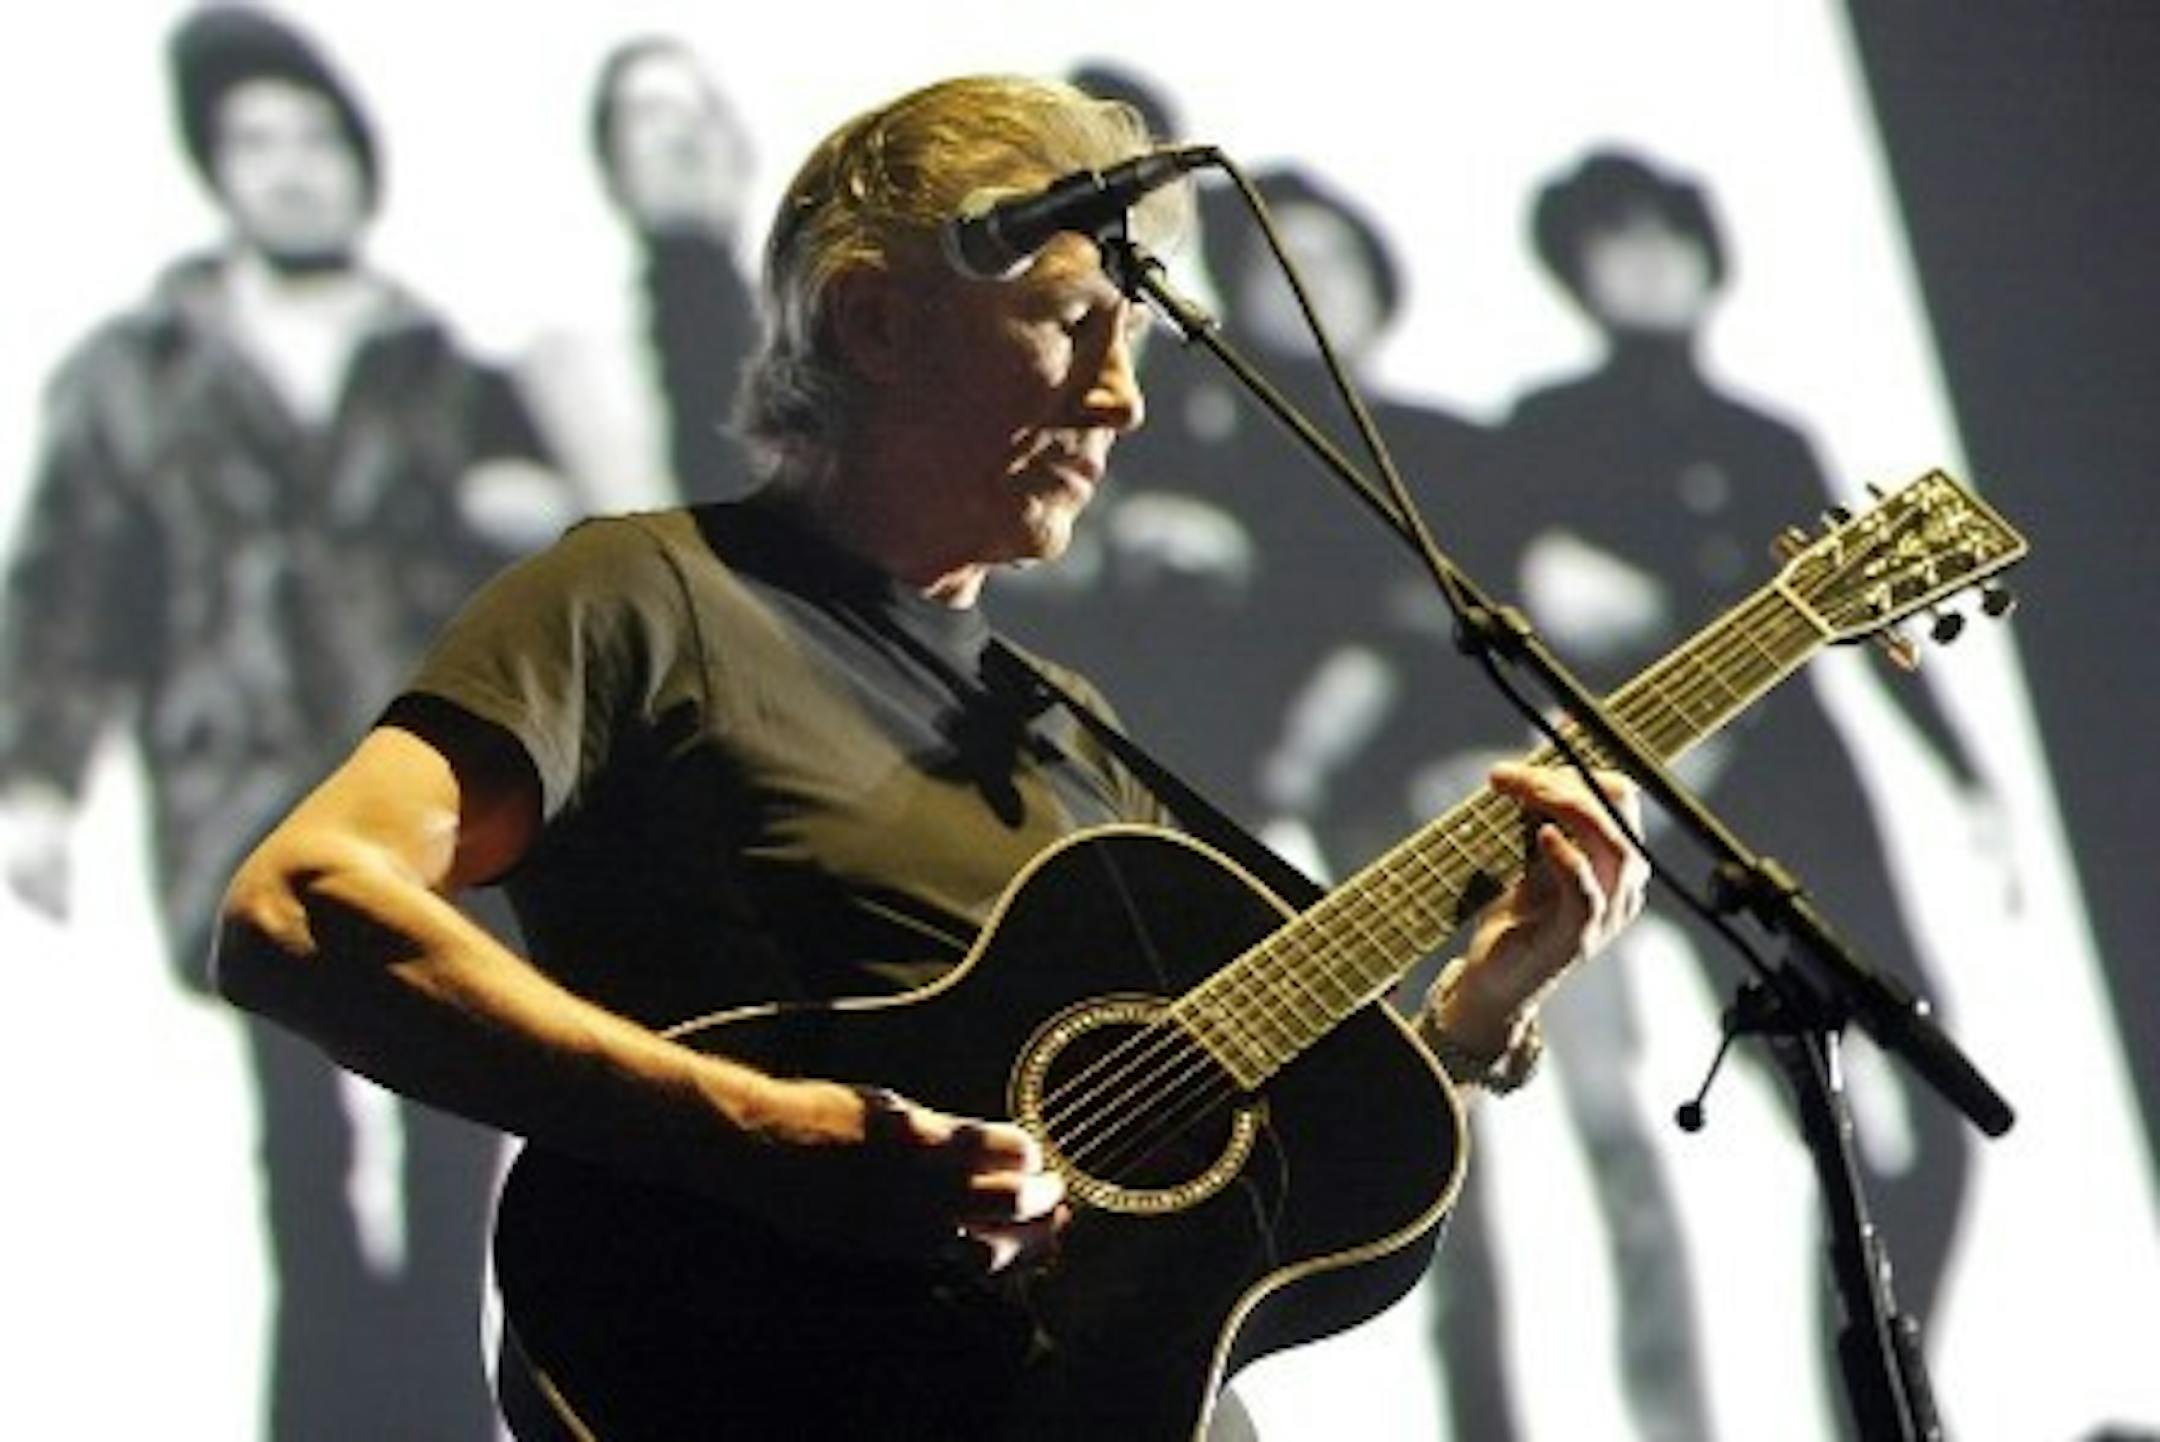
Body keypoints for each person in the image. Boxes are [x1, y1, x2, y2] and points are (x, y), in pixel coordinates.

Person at [213, 74, 1649, 1439]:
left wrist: (1476, 1015)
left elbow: (1233, 1187)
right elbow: (301, 906)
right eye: (1071, 321)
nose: (1122, 398)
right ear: (877, 321)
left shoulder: (1071, 729)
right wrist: (767, 1131)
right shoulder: (644, 599)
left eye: (1135, 340)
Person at [0, 7, 568, 1437]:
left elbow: (556, 585)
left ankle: (437, 1410)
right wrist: (38, 785)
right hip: (241, 798)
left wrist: (529, 506)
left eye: (317, 139)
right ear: (216, 168)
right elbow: (69, 586)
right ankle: (320, 1416)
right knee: (302, 1140)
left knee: (453, 1120)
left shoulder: (444, 367)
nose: (292, 168)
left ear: (360, 162)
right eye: (257, 142)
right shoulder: (138, 372)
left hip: (432, 794)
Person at [1484, 147, 1995, 1438]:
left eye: (1665, 236)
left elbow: (1868, 630)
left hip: (1812, 793)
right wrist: (1562, 579)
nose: (1647, 264)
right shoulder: (1544, 428)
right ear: (1578, 269)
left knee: (1932, 1107)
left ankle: (1888, 1395)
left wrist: (1970, 779)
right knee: (1820, 1117)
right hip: (1682, 815)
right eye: (1615, 242)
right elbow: (1509, 611)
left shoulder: (1770, 439)